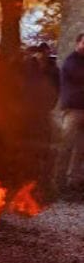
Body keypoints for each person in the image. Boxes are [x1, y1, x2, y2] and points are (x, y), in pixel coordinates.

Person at [55, 33, 84, 194]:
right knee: (65, 145)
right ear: (77, 43)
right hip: (73, 110)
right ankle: (57, 180)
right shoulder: (71, 61)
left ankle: (73, 181)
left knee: (80, 148)